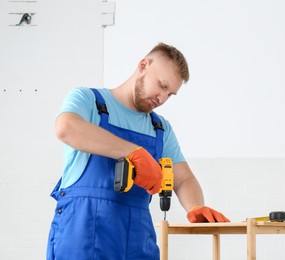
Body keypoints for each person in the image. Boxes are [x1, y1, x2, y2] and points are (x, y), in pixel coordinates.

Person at [46, 42, 229, 260]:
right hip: (81, 236)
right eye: (162, 85)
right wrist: (133, 152)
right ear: (143, 65)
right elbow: (66, 127)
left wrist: (196, 206)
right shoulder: (89, 101)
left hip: (135, 241)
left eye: (170, 94)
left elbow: (183, 178)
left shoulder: (159, 128)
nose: (162, 98)